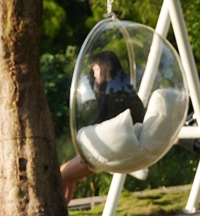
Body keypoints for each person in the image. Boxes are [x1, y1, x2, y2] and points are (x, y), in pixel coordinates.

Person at [60, 50, 147, 203]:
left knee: (61, 175)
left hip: (104, 151)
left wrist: (85, 153)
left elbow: (101, 125)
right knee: (68, 178)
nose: (94, 74)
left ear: (105, 68)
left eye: (96, 69)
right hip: (115, 151)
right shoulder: (126, 91)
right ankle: (62, 215)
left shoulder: (111, 95)